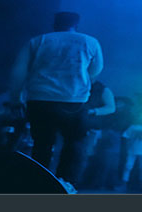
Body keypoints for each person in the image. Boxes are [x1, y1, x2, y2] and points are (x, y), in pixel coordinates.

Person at [8, 12, 103, 191]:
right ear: (77, 24)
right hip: (74, 100)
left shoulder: (38, 41)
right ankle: (66, 185)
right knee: (74, 145)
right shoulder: (90, 42)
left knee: (42, 144)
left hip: (40, 99)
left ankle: (38, 185)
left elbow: (18, 72)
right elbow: (96, 70)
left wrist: (15, 100)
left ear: (54, 23)